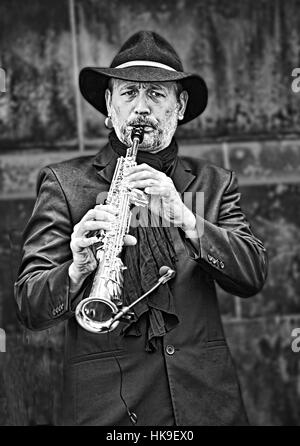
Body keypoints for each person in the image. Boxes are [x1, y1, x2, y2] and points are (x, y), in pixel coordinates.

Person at [14, 31, 268, 426]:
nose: (141, 109)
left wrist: (185, 216)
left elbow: (252, 274)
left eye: (156, 94)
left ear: (180, 105)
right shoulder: (63, 183)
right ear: (108, 106)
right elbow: (30, 306)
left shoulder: (214, 184)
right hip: (106, 408)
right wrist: (78, 269)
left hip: (206, 404)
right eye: (129, 94)